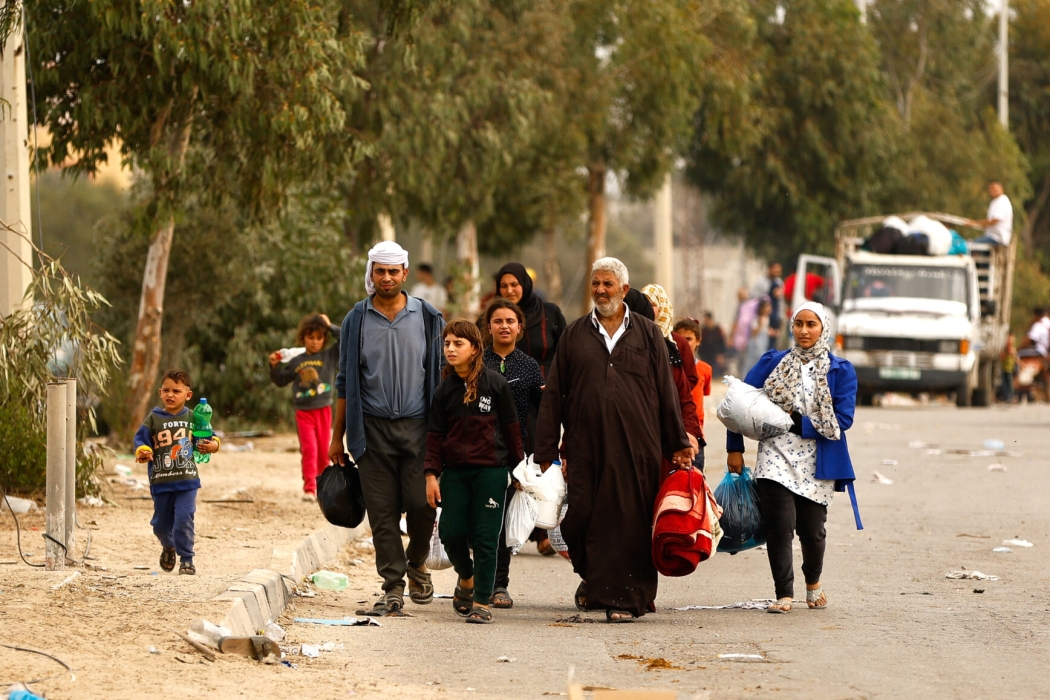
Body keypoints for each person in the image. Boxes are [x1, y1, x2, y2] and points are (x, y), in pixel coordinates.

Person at [534, 257, 695, 622]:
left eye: (608, 284)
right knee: (583, 518)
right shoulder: (575, 334)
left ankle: (628, 598)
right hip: (585, 444)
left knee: (630, 520)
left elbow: (666, 393)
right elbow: (555, 392)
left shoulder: (648, 333)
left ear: (624, 289)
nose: (601, 290)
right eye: (596, 284)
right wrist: (545, 448)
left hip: (638, 446)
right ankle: (596, 584)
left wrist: (677, 443)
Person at [329, 241, 445, 616]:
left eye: (394, 271)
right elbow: (345, 381)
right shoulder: (356, 320)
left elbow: (442, 379)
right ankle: (393, 586)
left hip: (420, 429)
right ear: (372, 274)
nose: (387, 277)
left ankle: (417, 563)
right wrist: (336, 437)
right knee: (382, 513)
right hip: (371, 431)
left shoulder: (428, 317)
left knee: (422, 506)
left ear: (405, 274)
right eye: (380, 271)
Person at [726, 302, 859, 613]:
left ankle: (812, 583)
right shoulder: (774, 362)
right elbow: (739, 400)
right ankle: (783, 593)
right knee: (779, 525)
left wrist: (798, 422)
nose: (803, 330)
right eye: (798, 324)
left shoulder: (841, 370)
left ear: (823, 328)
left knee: (813, 531)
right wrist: (735, 446)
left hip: (819, 458)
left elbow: (843, 419)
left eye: (811, 324)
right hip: (775, 454)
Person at [424, 321, 524, 625]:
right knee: (451, 533)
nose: (451, 349)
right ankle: (465, 577)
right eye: (447, 344)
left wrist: (519, 471)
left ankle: (481, 601)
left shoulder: (496, 384)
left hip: (491, 474)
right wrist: (430, 475)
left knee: (485, 538)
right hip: (454, 474)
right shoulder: (444, 390)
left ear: (475, 348)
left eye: (458, 344)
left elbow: (511, 431)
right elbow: (434, 436)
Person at [482, 298, 545, 609]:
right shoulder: (476, 362)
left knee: (502, 523)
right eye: (498, 321)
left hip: (515, 458)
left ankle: (498, 586)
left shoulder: (530, 367)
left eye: (510, 321)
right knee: (476, 523)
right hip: (477, 454)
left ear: (520, 327)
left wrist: (540, 455)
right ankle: (471, 580)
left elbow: (544, 412)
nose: (504, 326)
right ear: (489, 326)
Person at [134, 369, 220, 576]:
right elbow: (140, 441)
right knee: (160, 525)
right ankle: (168, 546)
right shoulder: (153, 418)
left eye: (176, 391)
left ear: (188, 395)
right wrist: (143, 451)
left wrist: (213, 446)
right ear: (160, 392)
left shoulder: (195, 416)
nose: (170, 395)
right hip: (161, 481)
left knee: (184, 518)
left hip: (187, 480)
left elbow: (212, 437)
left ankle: (187, 559)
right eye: (166, 390)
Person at [268, 313, 340, 501]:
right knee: (309, 450)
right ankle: (309, 489)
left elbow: (346, 339)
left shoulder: (329, 355)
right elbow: (281, 380)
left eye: (319, 338)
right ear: (303, 338)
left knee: (324, 451)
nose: (315, 342)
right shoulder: (296, 361)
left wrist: (329, 325)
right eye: (310, 338)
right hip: (303, 412)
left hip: (323, 410)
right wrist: (273, 367)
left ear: (324, 339)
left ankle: (323, 490)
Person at [640, 284, 703, 468]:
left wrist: (668, 397)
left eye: (653, 304)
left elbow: (688, 381)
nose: (648, 309)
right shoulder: (632, 339)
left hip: (672, 420)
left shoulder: (677, 343)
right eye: (645, 303)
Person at [493, 262, 566, 378]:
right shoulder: (490, 318)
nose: (509, 290)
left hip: (545, 389)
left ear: (524, 284)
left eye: (514, 284)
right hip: (503, 390)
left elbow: (566, 354)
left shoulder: (549, 313)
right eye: (504, 286)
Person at [673, 317, 713, 470]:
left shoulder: (705, 369)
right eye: (679, 338)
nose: (683, 342)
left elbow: (704, 393)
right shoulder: (670, 367)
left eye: (688, 339)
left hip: (695, 434)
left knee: (694, 476)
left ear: (698, 341)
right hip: (675, 430)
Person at [967, 181, 1013, 247]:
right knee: (969, 242)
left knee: (968, 245)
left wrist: (974, 223)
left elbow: (993, 221)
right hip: (990, 236)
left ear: (1002, 189)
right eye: (990, 189)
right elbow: (988, 224)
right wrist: (972, 224)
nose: (992, 190)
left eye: (994, 188)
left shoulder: (1003, 202)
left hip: (997, 238)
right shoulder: (994, 202)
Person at [742, 297, 773, 377]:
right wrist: (759, 325)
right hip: (756, 344)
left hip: (763, 344)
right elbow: (754, 333)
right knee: (751, 362)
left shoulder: (767, 318)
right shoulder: (757, 319)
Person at [698, 312, 727, 377]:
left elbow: (722, 343)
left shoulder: (718, 330)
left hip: (716, 357)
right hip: (705, 356)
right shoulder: (703, 331)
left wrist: (721, 355)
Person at [767, 263, 784, 350]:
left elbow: (780, 303)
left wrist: (780, 318)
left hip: (775, 317)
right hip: (768, 316)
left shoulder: (779, 282)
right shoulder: (764, 282)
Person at [999, 333, 1018, 404]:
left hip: (1009, 368)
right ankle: (1007, 397)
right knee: (1005, 383)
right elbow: (1002, 356)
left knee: (1009, 383)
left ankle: (1010, 397)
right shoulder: (1006, 347)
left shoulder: (1011, 347)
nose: (1010, 339)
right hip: (1004, 368)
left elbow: (1013, 354)